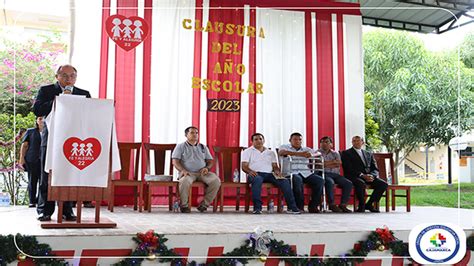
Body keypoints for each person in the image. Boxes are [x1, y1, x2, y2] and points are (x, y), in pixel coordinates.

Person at [33, 64, 91, 221]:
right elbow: (38, 110)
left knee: (69, 175)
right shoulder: (46, 91)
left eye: (72, 76)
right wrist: (58, 101)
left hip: (73, 141)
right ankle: (44, 210)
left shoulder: (83, 94)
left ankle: (67, 210)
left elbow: (89, 115)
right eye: (64, 76)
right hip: (51, 138)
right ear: (57, 76)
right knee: (47, 174)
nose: (68, 79)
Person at [242, 133, 300, 214]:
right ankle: (257, 208)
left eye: (260, 139)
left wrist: (277, 171)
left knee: (285, 181)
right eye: (256, 139)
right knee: (257, 180)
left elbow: (275, 166)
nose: (259, 141)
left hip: (269, 174)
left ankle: (292, 207)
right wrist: (250, 171)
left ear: (264, 140)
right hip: (255, 174)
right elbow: (244, 166)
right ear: (252, 141)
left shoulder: (270, 152)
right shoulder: (247, 151)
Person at [171, 126, 221, 213]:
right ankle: (184, 205)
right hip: (188, 173)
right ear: (186, 135)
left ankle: (204, 204)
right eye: (192, 133)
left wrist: (207, 168)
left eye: (196, 133)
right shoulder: (180, 146)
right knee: (184, 181)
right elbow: (175, 162)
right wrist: (183, 170)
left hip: (202, 173)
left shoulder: (203, 147)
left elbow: (210, 161)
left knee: (216, 181)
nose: (195, 135)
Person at [278, 133, 324, 213]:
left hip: (305, 172)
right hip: (291, 173)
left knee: (320, 180)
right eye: (295, 139)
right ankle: (299, 206)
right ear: (290, 140)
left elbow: (319, 153)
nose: (297, 141)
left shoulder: (306, 149)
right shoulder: (284, 147)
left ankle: (313, 206)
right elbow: (281, 153)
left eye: (299, 139)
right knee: (297, 180)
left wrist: (312, 154)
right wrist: (300, 154)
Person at [341, 136, 388, 213]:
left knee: (383, 184)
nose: (356, 142)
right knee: (360, 183)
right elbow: (348, 168)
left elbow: (375, 168)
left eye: (358, 141)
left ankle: (369, 204)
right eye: (354, 141)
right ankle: (361, 205)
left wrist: (372, 175)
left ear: (362, 142)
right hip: (354, 176)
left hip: (369, 176)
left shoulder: (368, 153)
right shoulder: (346, 153)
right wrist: (362, 175)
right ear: (352, 142)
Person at [316, 136, 353, 213]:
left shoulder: (335, 153)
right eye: (322, 142)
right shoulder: (317, 153)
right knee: (330, 182)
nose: (324, 144)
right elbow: (319, 165)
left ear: (331, 144)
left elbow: (339, 163)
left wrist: (325, 164)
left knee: (348, 183)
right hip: (323, 174)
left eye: (326, 142)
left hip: (336, 174)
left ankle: (343, 205)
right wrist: (333, 162)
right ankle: (331, 204)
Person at [19, 116, 44, 208]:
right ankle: (32, 201)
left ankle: (40, 200)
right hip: (32, 159)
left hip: (45, 160)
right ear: (37, 121)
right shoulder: (30, 131)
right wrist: (22, 158)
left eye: (43, 118)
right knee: (32, 180)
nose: (42, 120)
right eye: (40, 118)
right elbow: (24, 145)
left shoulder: (49, 131)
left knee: (43, 181)